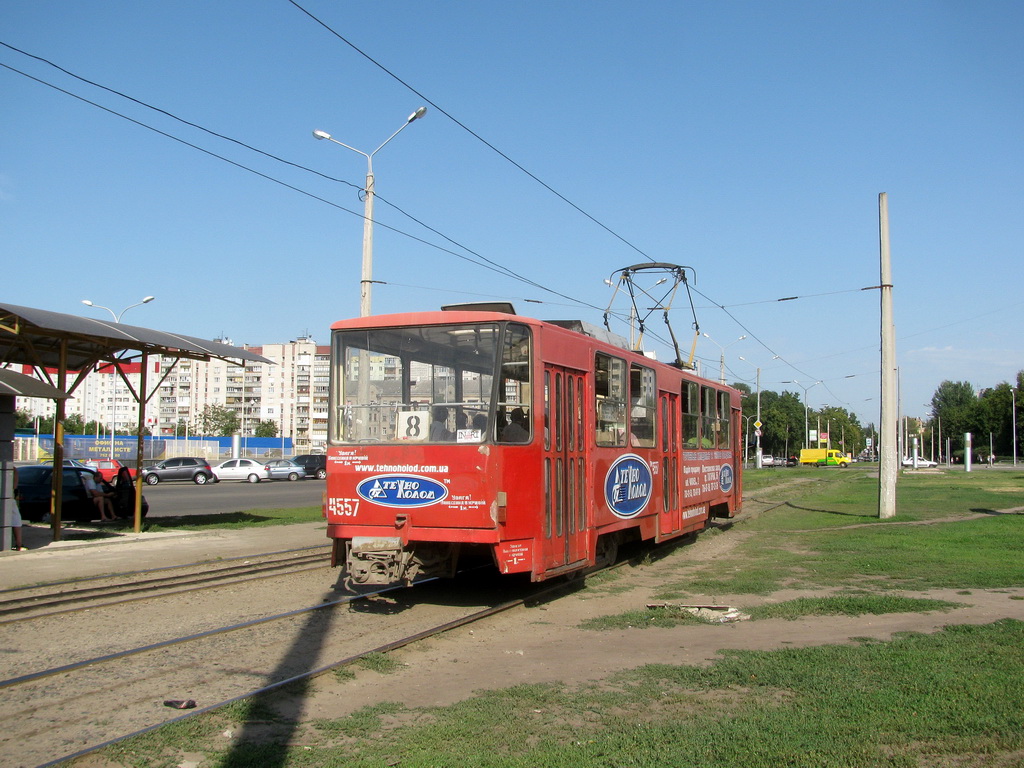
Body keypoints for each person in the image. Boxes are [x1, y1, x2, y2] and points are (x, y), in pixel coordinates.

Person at [9, 465, 24, 551]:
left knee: (16, 518)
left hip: (8, 495)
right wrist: (14, 488)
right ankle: (19, 544)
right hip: (8, 494)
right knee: (16, 519)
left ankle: (19, 544)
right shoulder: (10, 467)